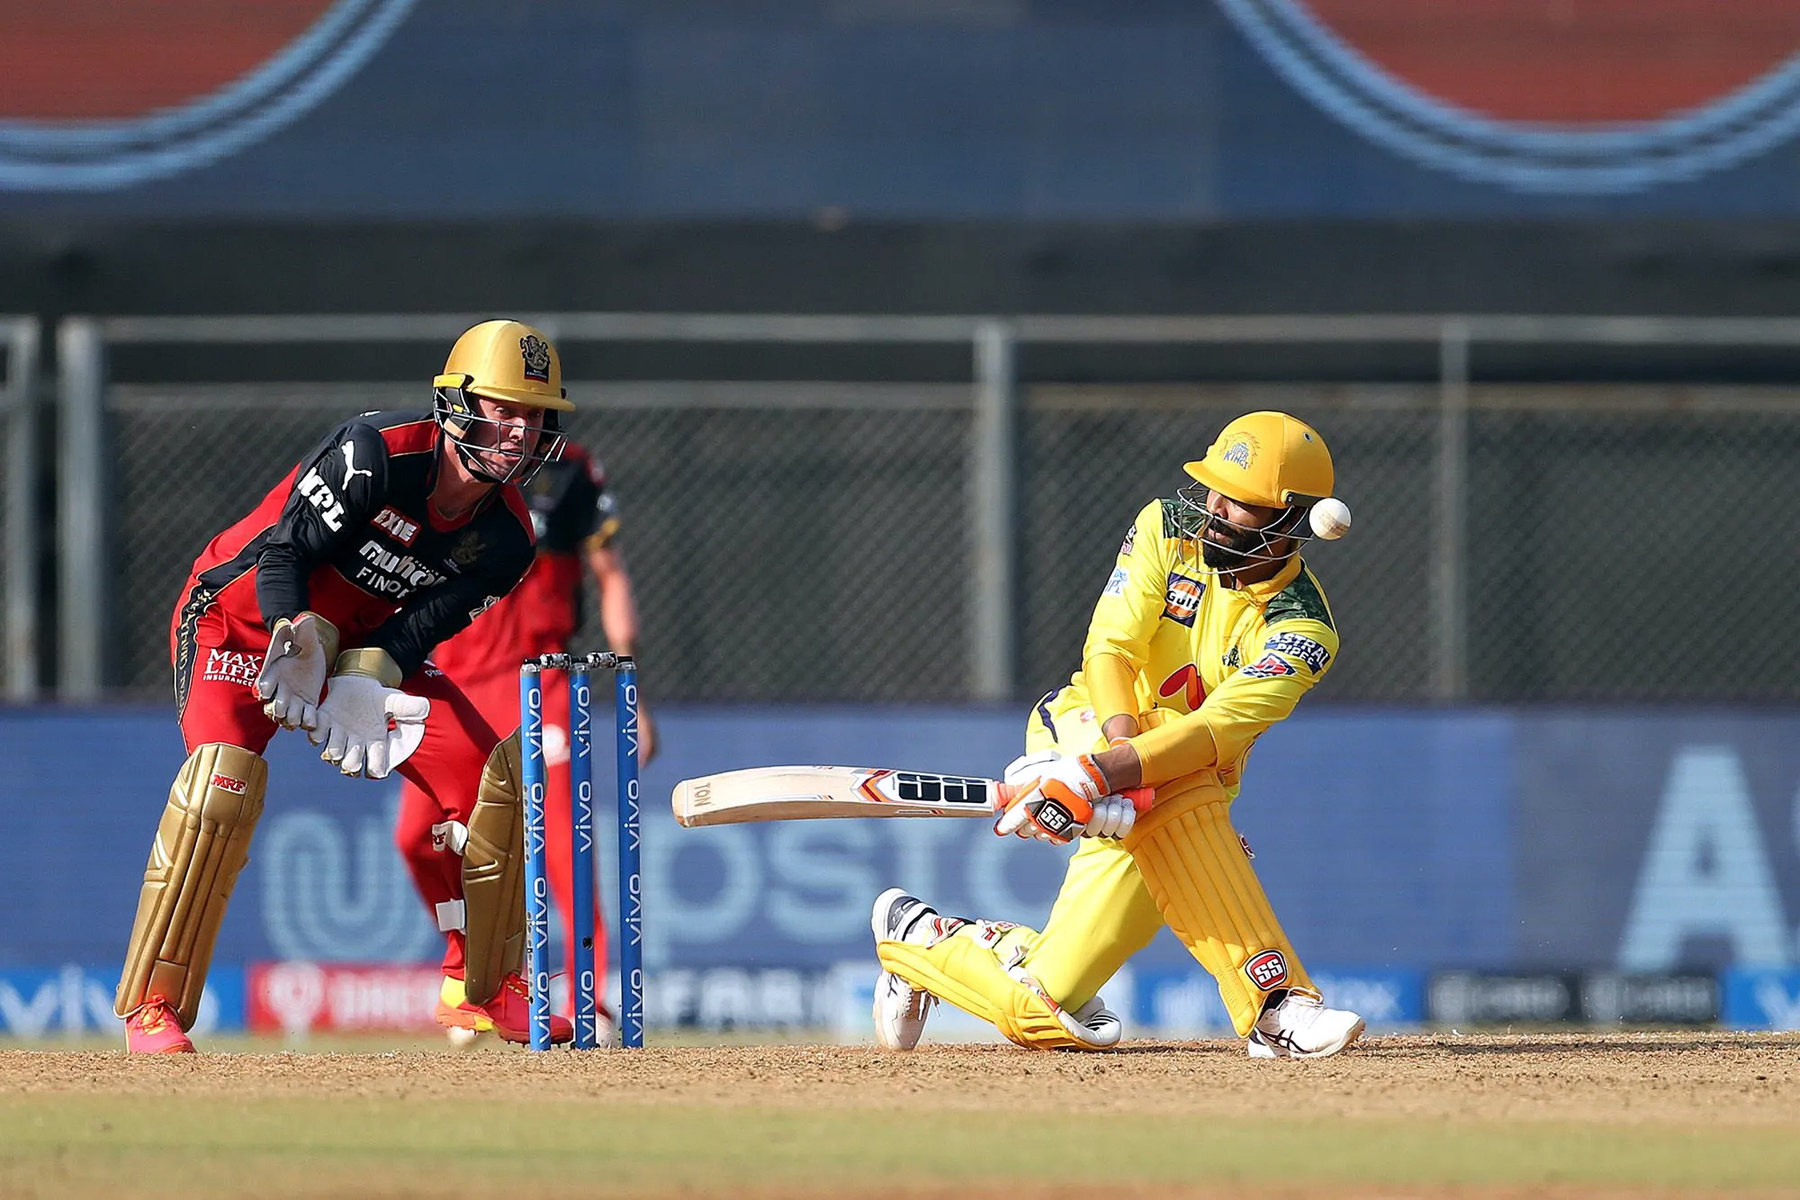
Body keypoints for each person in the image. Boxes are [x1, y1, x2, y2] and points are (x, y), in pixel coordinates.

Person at [117, 319, 577, 1052]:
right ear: (455, 404)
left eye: (534, 416)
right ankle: (154, 1007)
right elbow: (282, 555)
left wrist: (369, 674)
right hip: (239, 625)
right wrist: (294, 637)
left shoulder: (509, 540)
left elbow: (417, 630)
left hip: (358, 643)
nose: (521, 432)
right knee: (218, 791)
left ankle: (484, 988)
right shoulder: (373, 456)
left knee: (494, 783)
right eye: (504, 410)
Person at [869, 411, 1366, 1059]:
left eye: (1238, 504)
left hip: (1157, 782)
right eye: (1213, 489)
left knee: (1045, 1010)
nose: (1212, 510)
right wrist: (1106, 754)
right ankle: (1278, 1007)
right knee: (1179, 791)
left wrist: (1107, 778)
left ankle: (920, 938)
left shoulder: (1302, 633)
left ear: (1293, 523)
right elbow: (1110, 649)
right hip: (1082, 724)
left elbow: (1214, 730)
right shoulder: (1165, 526)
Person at [395, 437, 656, 1044]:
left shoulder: (569, 470)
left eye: (528, 410)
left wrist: (632, 695)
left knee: (562, 844)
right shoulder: (435, 465)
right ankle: (478, 977)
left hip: (542, 682)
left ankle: (588, 996)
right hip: (450, 683)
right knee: (418, 841)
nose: (514, 425)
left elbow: (610, 575)